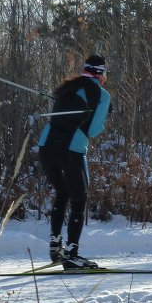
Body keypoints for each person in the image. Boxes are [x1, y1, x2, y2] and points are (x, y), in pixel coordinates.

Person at [38, 54, 111, 268]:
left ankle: (55, 246)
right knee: (79, 199)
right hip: (70, 150)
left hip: (46, 148)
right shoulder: (101, 94)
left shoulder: (66, 88)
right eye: (105, 74)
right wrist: (104, 116)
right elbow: (94, 130)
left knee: (63, 192)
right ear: (100, 74)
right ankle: (72, 254)